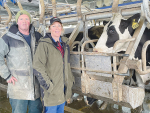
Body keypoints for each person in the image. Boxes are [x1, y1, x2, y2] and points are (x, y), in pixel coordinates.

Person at [0, 10, 43, 113]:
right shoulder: (8, 38)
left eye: (27, 19)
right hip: (18, 88)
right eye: (21, 19)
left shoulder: (37, 36)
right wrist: (7, 75)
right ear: (17, 22)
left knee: (36, 111)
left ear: (30, 22)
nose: (24, 21)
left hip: (35, 87)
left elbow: (46, 53)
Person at [33, 17, 75, 113]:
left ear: (62, 28)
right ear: (49, 28)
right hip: (51, 90)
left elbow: (67, 66)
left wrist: (70, 81)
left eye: (59, 26)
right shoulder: (44, 44)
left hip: (63, 89)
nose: (57, 28)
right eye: (54, 26)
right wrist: (48, 85)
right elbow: (37, 65)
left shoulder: (65, 44)